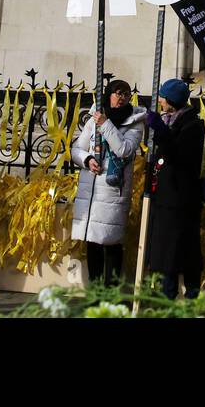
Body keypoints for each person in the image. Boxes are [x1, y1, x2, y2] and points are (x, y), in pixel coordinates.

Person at [71, 77, 146, 286]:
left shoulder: (135, 121)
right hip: (92, 189)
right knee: (93, 242)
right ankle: (95, 292)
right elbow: (76, 149)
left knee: (111, 242)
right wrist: (87, 160)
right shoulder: (93, 118)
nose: (121, 97)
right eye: (117, 92)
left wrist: (105, 124)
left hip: (113, 191)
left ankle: (110, 292)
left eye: (126, 93)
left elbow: (124, 150)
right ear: (109, 95)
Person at [144, 77, 205, 299]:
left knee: (181, 252)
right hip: (165, 197)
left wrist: (161, 132)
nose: (159, 101)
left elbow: (176, 156)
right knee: (165, 255)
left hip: (182, 199)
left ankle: (190, 297)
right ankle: (166, 296)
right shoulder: (169, 121)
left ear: (171, 100)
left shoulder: (192, 126)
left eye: (163, 97)